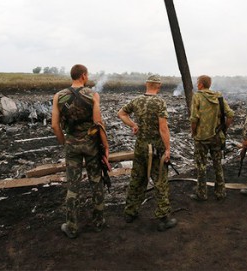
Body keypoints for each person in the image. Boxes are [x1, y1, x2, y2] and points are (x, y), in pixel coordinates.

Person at [52, 64, 109, 239]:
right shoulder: (93, 95)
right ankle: (98, 222)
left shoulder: (59, 96)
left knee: (73, 185)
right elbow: (98, 123)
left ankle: (72, 226)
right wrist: (105, 147)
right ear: (83, 76)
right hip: (91, 145)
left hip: (72, 144)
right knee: (96, 181)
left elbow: (55, 125)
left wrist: (65, 142)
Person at [117, 74, 177, 232]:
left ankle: (130, 212)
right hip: (156, 149)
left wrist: (133, 124)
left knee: (137, 178)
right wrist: (168, 149)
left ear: (146, 84)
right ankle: (163, 217)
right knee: (160, 181)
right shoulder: (160, 102)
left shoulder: (137, 101)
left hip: (140, 147)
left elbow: (121, 113)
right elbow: (163, 128)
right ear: (158, 86)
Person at [189, 75, 234, 201]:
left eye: (198, 82)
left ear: (201, 84)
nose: (197, 84)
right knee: (217, 164)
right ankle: (220, 192)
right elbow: (230, 114)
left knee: (201, 165)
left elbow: (194, 118)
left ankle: (201, 193)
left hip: (201, 137)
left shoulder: (197, 96)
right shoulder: (218, 96)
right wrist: (224, 128)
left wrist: (193, 132)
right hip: (217, 137)